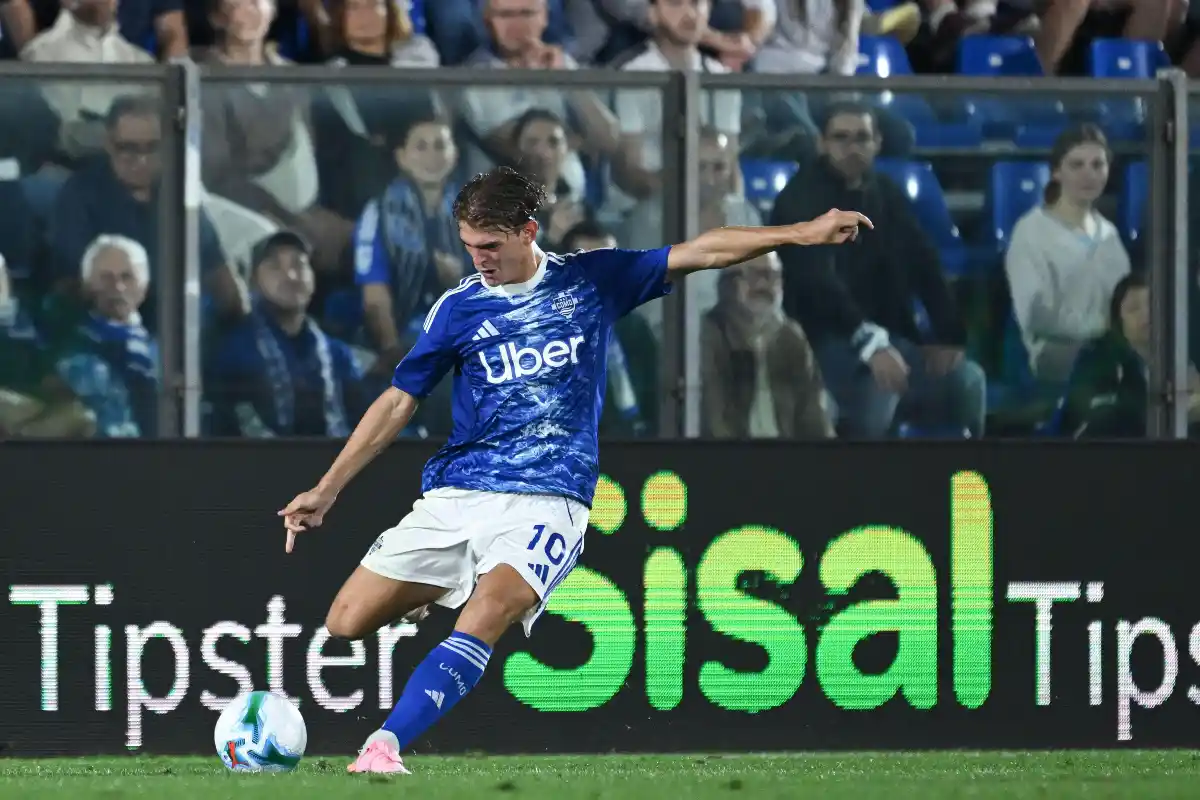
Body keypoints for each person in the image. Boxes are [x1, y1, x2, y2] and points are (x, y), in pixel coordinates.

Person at [277, 166, 870, 774]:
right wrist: (326, 490)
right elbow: (399, 400)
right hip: (459, 491)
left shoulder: (590, 281)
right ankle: (426, 592)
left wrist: (803, 232)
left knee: (487, 612)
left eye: (490, 246)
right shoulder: (458, 310)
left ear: (527, 231)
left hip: (549, 498)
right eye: (469, 246)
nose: (478, 259)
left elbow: (705, 249)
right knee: (344, 622)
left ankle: (385, 745)